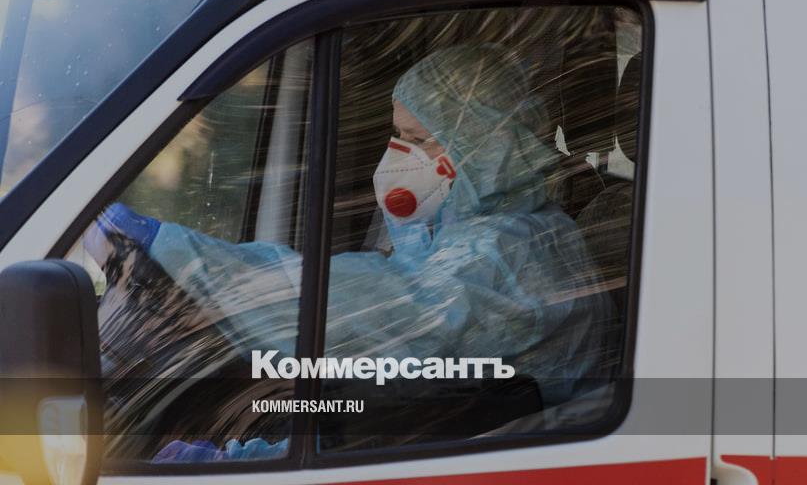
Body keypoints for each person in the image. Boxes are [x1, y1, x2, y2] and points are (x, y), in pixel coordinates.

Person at [86, 44, 614, 461]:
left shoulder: (515, 250)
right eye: (396, 134)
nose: (399, 154)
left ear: (479, 143)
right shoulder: (466, 229)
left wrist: (182, 255)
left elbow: (376, 312)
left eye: (419, 139)